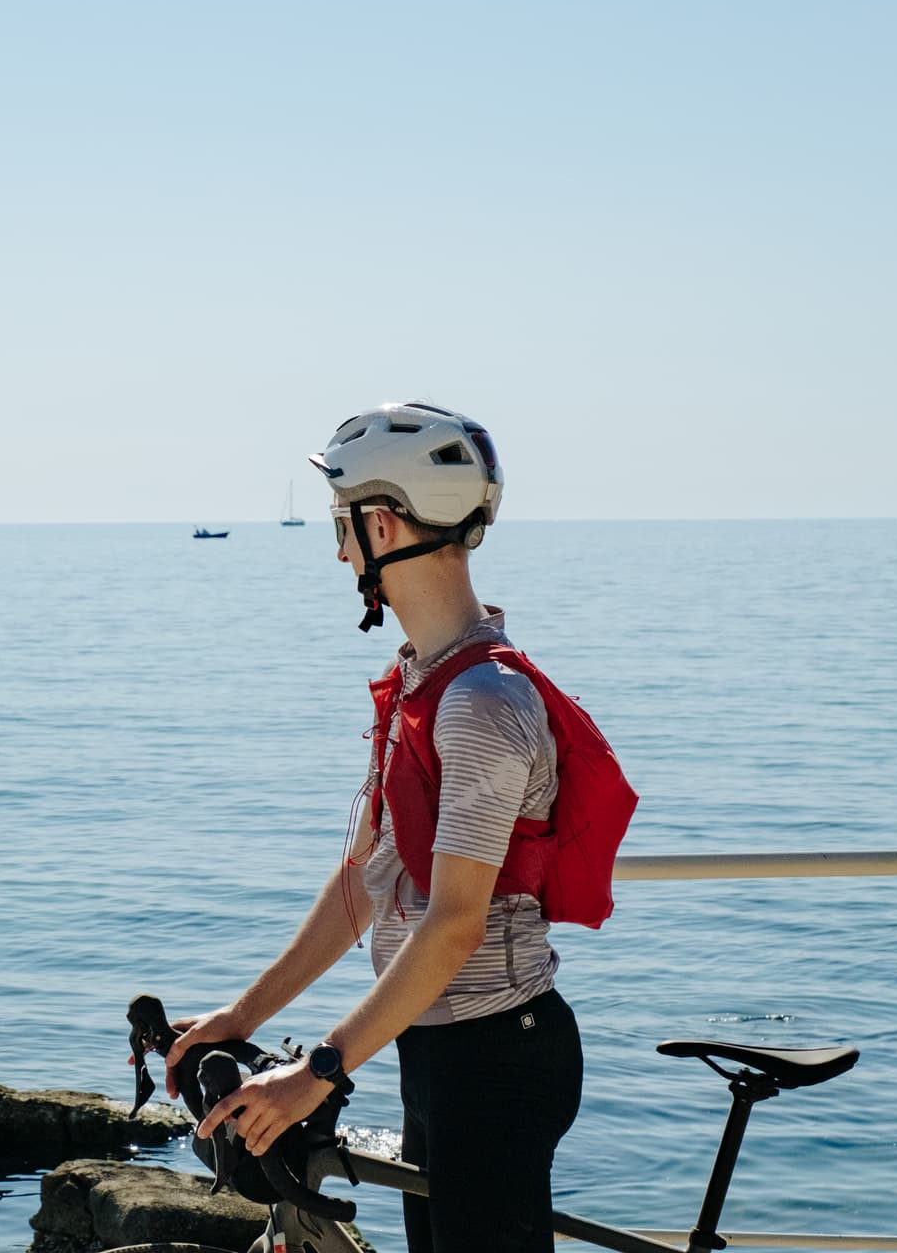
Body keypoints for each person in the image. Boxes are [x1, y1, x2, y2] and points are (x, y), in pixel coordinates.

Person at [169, 404, 596, 1253]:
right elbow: (366, 883)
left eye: (342, 524)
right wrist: (242, 1017)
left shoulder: (478, 703)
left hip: (497, 1060)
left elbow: (456, 922)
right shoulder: (420, 684)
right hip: (436, 1050)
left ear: (384, 521)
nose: (337, 551)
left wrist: (321, 1070)